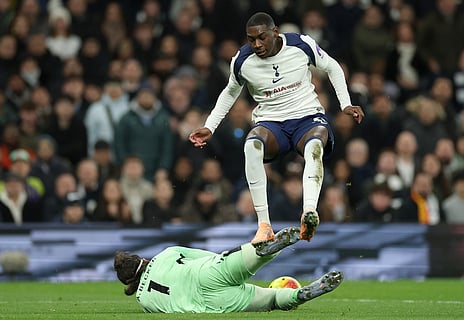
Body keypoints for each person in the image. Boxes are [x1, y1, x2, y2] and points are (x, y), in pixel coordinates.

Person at [189, 12, 364, 244]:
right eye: (251, 40)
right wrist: (210, 126)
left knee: (314, 146)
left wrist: (345, 103)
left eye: (262, 38)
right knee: (251, 145)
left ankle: (309, 212)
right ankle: (264, 225)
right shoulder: (242, 61)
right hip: (271, 123)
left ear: (275, 32)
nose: (257, 45)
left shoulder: (302, 44)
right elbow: (230, 92)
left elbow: (332, 67)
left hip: (307, 117)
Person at [114, 226, 343, 313]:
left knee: (272, 299)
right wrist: (228, 267)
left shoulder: (144, 301)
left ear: (128, 283)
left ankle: (297, 295)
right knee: (252, 256)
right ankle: (264, 251)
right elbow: (206, 256)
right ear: (140, 258)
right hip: (206, 274)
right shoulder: (166, 254)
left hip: (211, 305)